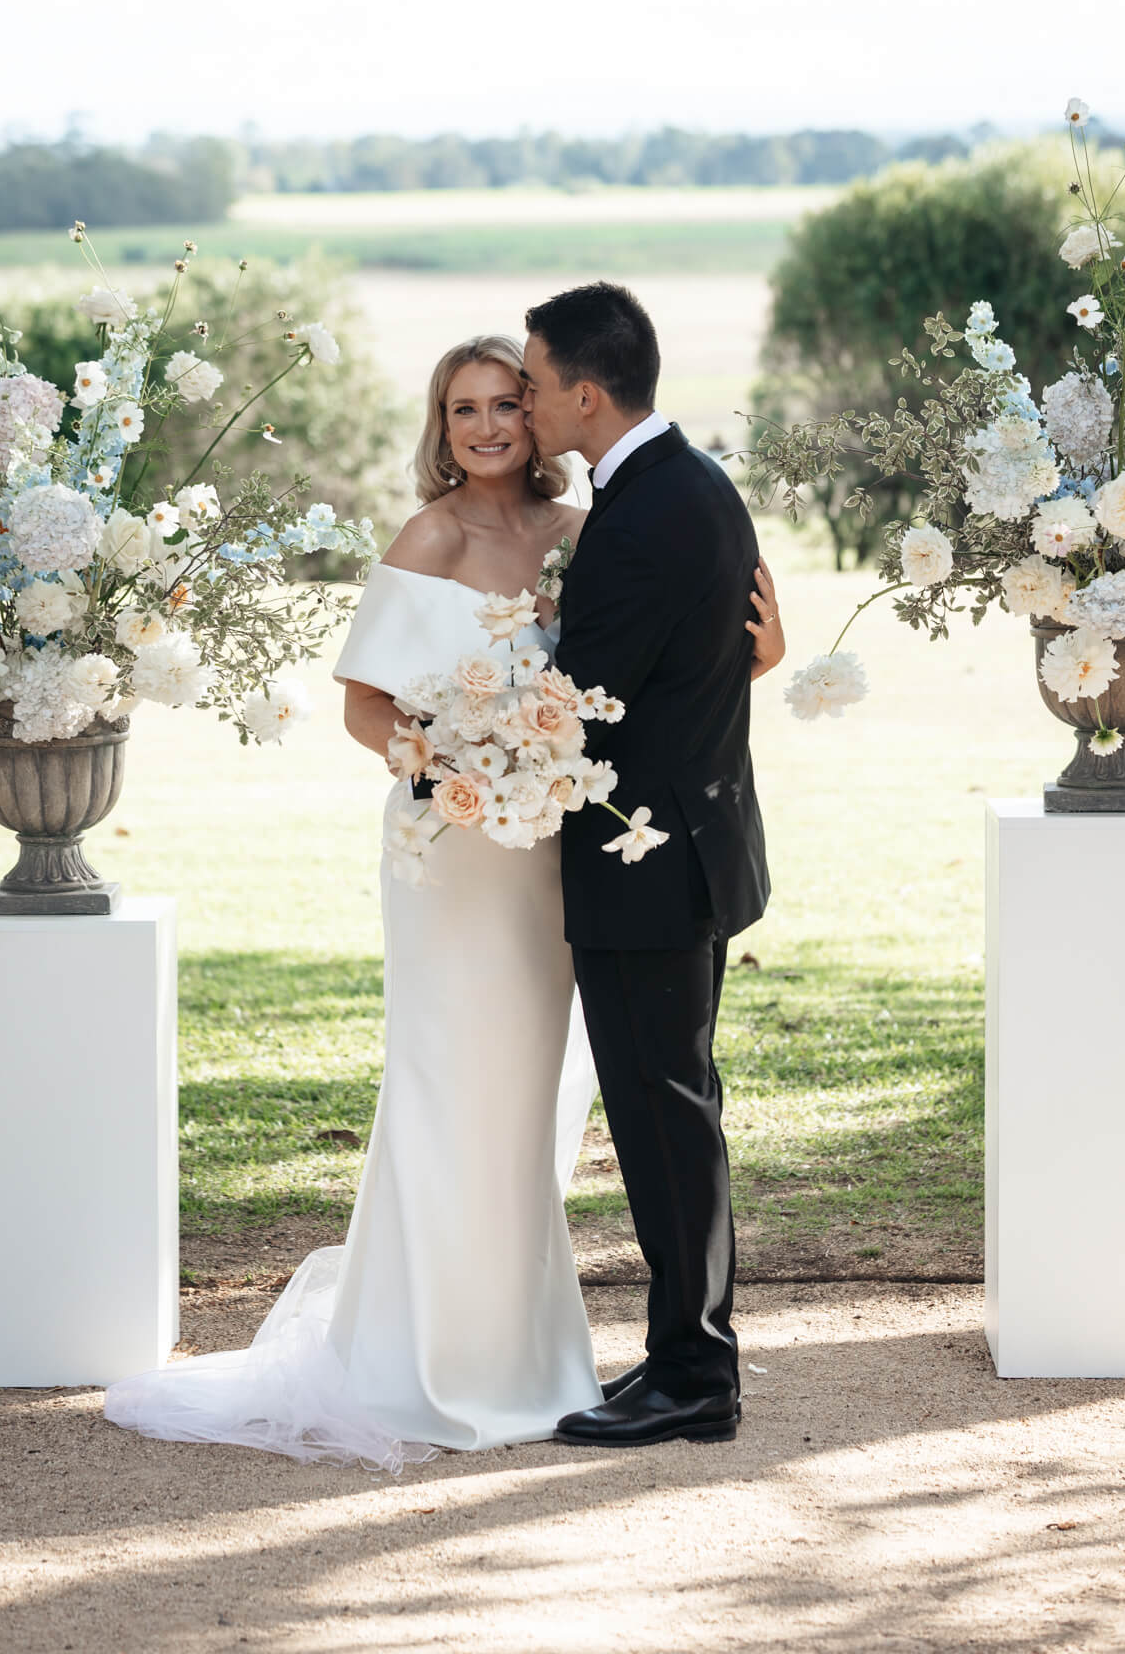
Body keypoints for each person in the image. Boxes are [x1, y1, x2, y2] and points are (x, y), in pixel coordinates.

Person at [104, 335, 604, 1468]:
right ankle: (415, 1361)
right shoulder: (429, 537)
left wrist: (539, 761)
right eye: (461, 408)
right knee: (443, 1081)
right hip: (447, 849)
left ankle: (526, 1355)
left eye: (503, 406)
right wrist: (444, 760)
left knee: (530, 1093)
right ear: (442, 425)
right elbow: (365, 707)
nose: (484, 427)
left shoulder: (579, 539)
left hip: (545, 847)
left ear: (535, 419)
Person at [520, 282, 775, 1448]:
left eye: (530, 381)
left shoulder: (647, 512)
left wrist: (446, 755)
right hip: (691, 849)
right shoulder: (689, 485)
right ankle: (682, 1355)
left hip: (649, 866)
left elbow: (585, 708)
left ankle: (696, 1376)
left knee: (665, 1116)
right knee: (675, 1108)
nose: (523, 400)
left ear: (583, 391)